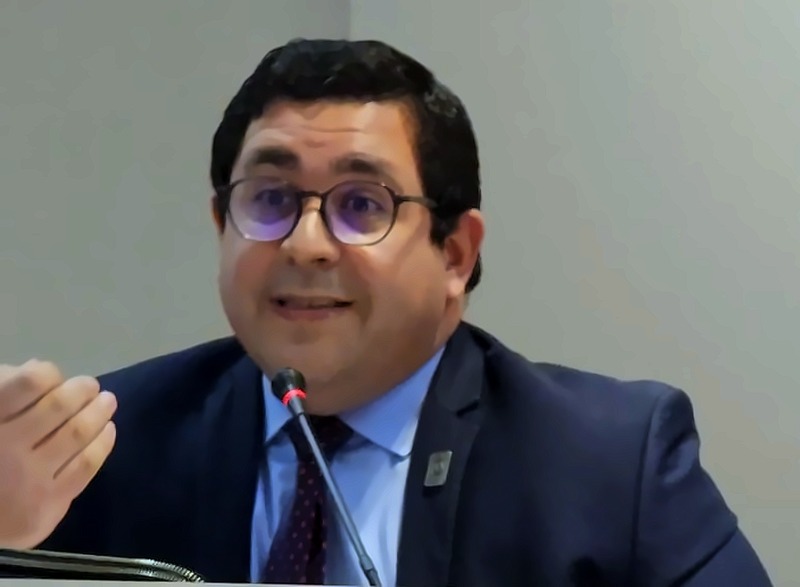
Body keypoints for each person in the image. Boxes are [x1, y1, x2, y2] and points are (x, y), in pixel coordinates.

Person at [0, 38, 772, 586]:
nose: (305, 243)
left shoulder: (610, 465)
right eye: (270, 200)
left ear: (456, 254)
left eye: (361, 204)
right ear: (219, 225)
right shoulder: (100, 450)